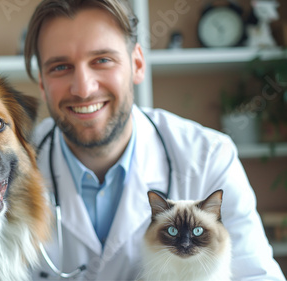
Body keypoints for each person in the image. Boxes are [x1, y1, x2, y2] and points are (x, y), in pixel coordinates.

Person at [23, 0, 286, 280]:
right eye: (61, 67)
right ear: (41, 83)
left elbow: (257, 275)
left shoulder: (208, 156)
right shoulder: (10, 169)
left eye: (102, 60)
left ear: (137, 64)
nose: (84, 89)